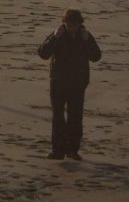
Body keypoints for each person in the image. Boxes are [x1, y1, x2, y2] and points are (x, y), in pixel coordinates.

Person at [38, 9, 102, 160]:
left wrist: (87, 41)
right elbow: (43, 53)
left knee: (75, 117)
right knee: (58, 117)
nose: (71, 27)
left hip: (77, 84)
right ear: (64, 22)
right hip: (58, 82)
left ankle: (73, 150)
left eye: (74, 24)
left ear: (79, 23)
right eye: (68, 24)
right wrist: (54, 38)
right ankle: (58, 150)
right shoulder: (58, 34)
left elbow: (96, 56)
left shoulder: (84, 35)